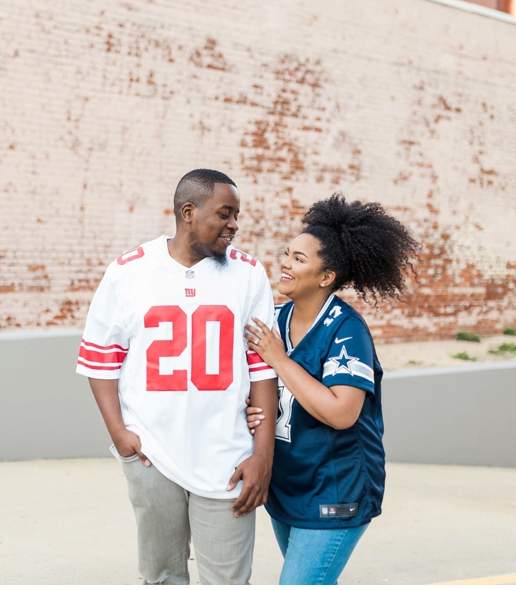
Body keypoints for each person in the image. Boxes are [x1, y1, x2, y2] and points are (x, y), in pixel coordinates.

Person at [77, 169, 279, 585]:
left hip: (226, 457)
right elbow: (101, 361)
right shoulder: (129, 271)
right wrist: (120, 435)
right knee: (162, 578)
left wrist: (263, 454)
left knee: (227, 582)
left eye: (236, 215)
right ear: (188, 212)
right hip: (151, 454)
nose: (234, 225)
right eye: (224, 213)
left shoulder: (248, 274)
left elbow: (263, 367)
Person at [243, 193, 419, 585]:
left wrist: (280, 360)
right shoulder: (275, 319)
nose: (285, 264)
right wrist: (251, 409)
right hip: (289, 482)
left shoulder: (346, 329)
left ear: (325, 277)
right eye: (286, 254)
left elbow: (342, 413)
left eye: (298, 259)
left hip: (335, 487)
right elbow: (255, 387)